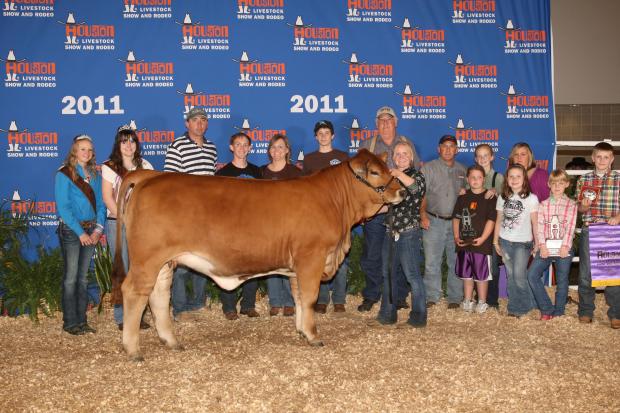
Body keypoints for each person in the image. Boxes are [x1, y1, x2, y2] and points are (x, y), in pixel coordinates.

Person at [357, 106, 420, 312]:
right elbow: (358, 179)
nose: (385, 124)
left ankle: (399, 295)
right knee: (372, 255)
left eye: (389, 120)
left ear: (396, 122)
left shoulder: (407, 144)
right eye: (381, 120)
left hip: (401, 210)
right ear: (376, 124)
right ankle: (372, 294)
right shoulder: (367, 146)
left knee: (400, 254)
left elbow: (416, 178)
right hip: (376, 210)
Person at [164, 107, 217, 321]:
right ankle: (180, 308)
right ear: (187, 124)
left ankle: (197, 303)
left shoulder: (212, 148)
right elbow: (170, 182)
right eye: (195, 120)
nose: (200, 124)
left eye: (203, 120)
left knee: (203, 260)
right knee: (182, 262)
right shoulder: (177, 146)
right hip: (185, 213)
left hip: (207, 213)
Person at [101, 125, 154, 330]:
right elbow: (107, 197)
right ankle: (121, 317)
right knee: (121, 267)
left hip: (141, 225)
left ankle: (138, 315)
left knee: (138, 269)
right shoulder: (109, 167)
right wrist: (124, 218)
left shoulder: (146, 165)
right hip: (117, 222)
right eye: (124, 141)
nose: (128, 145)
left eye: (132, 141)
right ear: (118, 144)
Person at [55, 134, 106, 335]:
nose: (87, 152)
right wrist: (80, 233)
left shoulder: (95, 175)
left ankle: (82, 321)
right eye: (82, 149)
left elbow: (101, 205)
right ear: (74, 151)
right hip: (72, 231)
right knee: (71, 277)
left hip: (91, 230)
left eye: (90, 149)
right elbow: (64, 208)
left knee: (83, 278)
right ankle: (70, 322)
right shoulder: (64, 174)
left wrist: (97, 230)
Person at [376, 141, 427, 327]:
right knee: (387, 274)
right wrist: (367, 212)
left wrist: (397, 174)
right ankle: (387, 316)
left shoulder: (417, 176)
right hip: (390, 232)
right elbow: (386, 204)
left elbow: (415, 190)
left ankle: (418, 318)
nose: (401, 157)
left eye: (405, 153)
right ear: (393, 157)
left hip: (408, 233)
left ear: (411, 157)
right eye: (397, 154)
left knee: (412, 275)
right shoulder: (390, 179)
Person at [303, 120, 349, 313]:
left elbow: (348, 186)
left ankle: (339, 299)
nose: (323, 136)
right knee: (319, 258)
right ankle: (321, 299)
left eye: (326, 132)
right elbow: (304, 188)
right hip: (316, 216)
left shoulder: (342, 157)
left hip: (338, 215)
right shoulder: (309, 159)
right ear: (316, 136)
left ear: (333, 136)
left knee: (340, 258)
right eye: (320, 133)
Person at [215, 132, 261, 320]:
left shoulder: (258, 172)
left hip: (253, 224)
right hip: (230, 226)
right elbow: (217, 203)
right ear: (231, 147)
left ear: (250, 148)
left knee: (254, 265)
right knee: (229, 265)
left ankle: (248, 305)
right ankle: (229, 307)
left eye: (245, 145)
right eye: (238, 144)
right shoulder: (222, 173)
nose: (242, 148)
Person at [575, 142, 620, 329]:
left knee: (614, 273)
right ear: (593, 158)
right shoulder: (583, 180)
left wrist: (618, 217)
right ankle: (586, 311)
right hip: (590, 229)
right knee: (586, 273)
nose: (602, 160)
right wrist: (584, 205)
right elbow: (580, 208)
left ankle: (616, 313)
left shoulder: (619, 179)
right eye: (598, 157)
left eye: (606, 157)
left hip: (613, 231)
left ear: (612, 159)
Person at [420, 135, 467, 308]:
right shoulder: (429, 168)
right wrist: (422, 215)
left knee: (456, 261)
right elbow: (421, 194)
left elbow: (471, 195)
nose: (448, 149)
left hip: (456, 223)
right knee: (432, 261)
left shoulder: (463, 170)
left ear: (457, 150)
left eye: (451, 146)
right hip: (433, 220)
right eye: (444, 146)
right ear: (438, 149)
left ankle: (455, 297)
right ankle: (432, 296)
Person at [527, 169, 577, 320]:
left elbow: (571, 227)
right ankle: (547, 308)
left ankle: (559, 311)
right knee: (532, 275)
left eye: (561, 183)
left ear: (567, 184)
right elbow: (540, 226)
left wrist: (565, 246)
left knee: (562, 280)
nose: (557, 186)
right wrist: (542, 245)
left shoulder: (571, 204)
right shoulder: (543, 205)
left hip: (563, 248)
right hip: (546, 247)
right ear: (549, 184)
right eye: (554, 183)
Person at [261, 134, 301, 317]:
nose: (276, 151)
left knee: (289, 262)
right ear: (269, 151)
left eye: (280, 147)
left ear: (287, 150)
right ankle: (275, 301)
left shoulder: (295, 172)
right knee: (271, 262)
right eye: (273, 147)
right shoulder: (262, 173)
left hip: (290, 223)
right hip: (267, 223)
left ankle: (289, 301)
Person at [493, 164, 539, 317]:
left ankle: (526, 306)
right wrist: (495, 241)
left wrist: (537, 242)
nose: (514, 179)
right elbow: (498, 220)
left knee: (519, 276)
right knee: (511, 275)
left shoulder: (532, 199)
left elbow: (535, 222)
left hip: (523, 244)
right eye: (511, 176)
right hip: (505, 242)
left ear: (524, 179)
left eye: (518, 176)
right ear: (507, 179)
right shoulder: (502, 197)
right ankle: (514, 307)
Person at [453, 165, 497, 313]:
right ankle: (467, 300)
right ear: (467, 179)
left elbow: (491, 220)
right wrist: (456, 236)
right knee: (466, 275)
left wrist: (484, 238)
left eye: (479, 177)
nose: (475, 180)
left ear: (484, 179)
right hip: (464, 243)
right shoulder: (462, 197)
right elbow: (456, 219)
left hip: (481, 245)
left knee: (481, 275)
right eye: (472, 177)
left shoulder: (490, 197)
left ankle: (482, 302)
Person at [474, 144, 504, 310]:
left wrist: (497, 192)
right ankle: (480, 298)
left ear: (492, 157)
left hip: (492, 228)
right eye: (479, 156)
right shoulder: (472, 176)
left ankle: (492, 300)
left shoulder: (498, 178)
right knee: (478, 263)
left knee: (493, 266)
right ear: (475, 159)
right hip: (476, 226)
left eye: (486, 155)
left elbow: (507, 198)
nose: (482, 158)